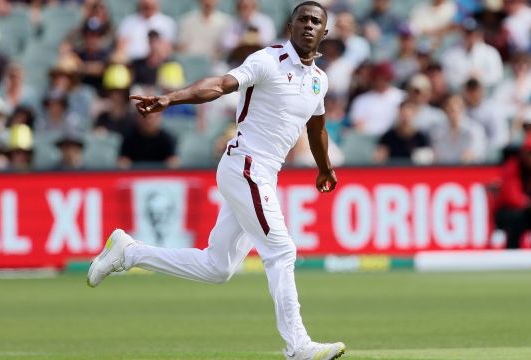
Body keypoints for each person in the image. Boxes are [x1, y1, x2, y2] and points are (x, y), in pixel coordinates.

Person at [87, 3, 346, 359]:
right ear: (290, 26)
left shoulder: (319, 79)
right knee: (282, 251)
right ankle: (298, 346)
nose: (308, 25)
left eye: (316, 21)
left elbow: (316, 125)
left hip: (261, 172)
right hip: (247, 166)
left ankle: (129, 253)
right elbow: (220, 84)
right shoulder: (268, 60)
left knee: (217, 267)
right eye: (302, 19)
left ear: (324, 33)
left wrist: (324, 166)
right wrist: (170, 98)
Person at [441, 17, 504, 90]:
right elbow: (446, 76)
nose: (470, 36)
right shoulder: (450, 53)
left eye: (473, 33)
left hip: (485, 93)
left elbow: (497, 77)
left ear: (479, 33)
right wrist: (466, 78)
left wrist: (480, 78)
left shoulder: (491, 53)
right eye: (467, 33)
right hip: (459, 93)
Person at [349, 62, 405, 137]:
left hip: (393, 140)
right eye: (381, 77)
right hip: (367, 139)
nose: (383, 81)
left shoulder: (401, 96)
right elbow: (357, 125)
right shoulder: (361, 100)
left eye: (387, 78)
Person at [375, 99, 431, 164]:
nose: (406, 116)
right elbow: (379, 158)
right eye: (403, 112)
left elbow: (426, 160)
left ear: (415, 113)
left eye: (409, 112)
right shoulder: (388, 136)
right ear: (399, 113)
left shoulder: (421, 137)